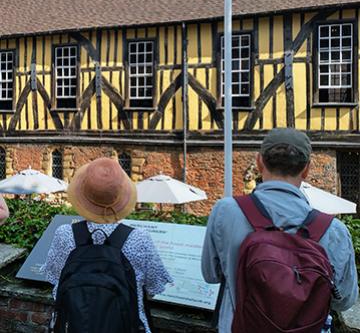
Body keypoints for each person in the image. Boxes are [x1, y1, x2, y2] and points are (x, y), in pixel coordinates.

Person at [201, 128, 358, 333]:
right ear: (306, 169)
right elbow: (344, 301)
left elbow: (211, 275)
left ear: (259, 162)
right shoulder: (334, 230)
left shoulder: (226, 211)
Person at [43, 157, 172, 333]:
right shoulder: (139, 239)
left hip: (73, 324)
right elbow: (154, 288)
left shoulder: (64, 234)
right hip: (127, 325)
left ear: (82, 194)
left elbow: (54, 279)